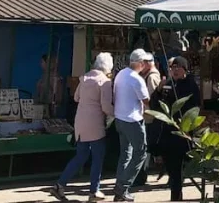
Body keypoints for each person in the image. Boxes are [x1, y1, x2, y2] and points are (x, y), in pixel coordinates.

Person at [52, 53, 115, 203]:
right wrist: (117, 113)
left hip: (80, 122)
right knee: (98, 157)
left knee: (81, 156)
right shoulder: (104, 82)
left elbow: (76, 98)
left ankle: (59, 185)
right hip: (95, 124)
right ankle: (94, 191)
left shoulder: (85, 78)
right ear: (108, 67)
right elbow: (106, 107)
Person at [154, 57, 201, 201]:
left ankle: (176, 196)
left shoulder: (190, 85)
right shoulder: (167, 84)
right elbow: (154, 105)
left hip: (182, 133)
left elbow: (193, 106)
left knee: (177, 168)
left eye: (178, 67)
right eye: (172, 67)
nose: (175, 70)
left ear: (185, 70)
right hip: (167, 133)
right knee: (171, 168)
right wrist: (159, 90)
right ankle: (175, 193)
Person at [113, 49, 153, 202]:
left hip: (120, 118)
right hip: (133, 120)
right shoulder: (137, 79)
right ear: (141, 63)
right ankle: (122, 187)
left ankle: (120, 187)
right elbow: (146, 100)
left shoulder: (121, 74)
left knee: (125, 153)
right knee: (140, 153)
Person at [36, 54, 65, 119]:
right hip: (42, 108)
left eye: (42, 62)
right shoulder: (45, 76)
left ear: (48, 63)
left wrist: (53, 106)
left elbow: (58, 96)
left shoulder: (54, 77)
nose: (41, 64)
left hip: (50, 109)